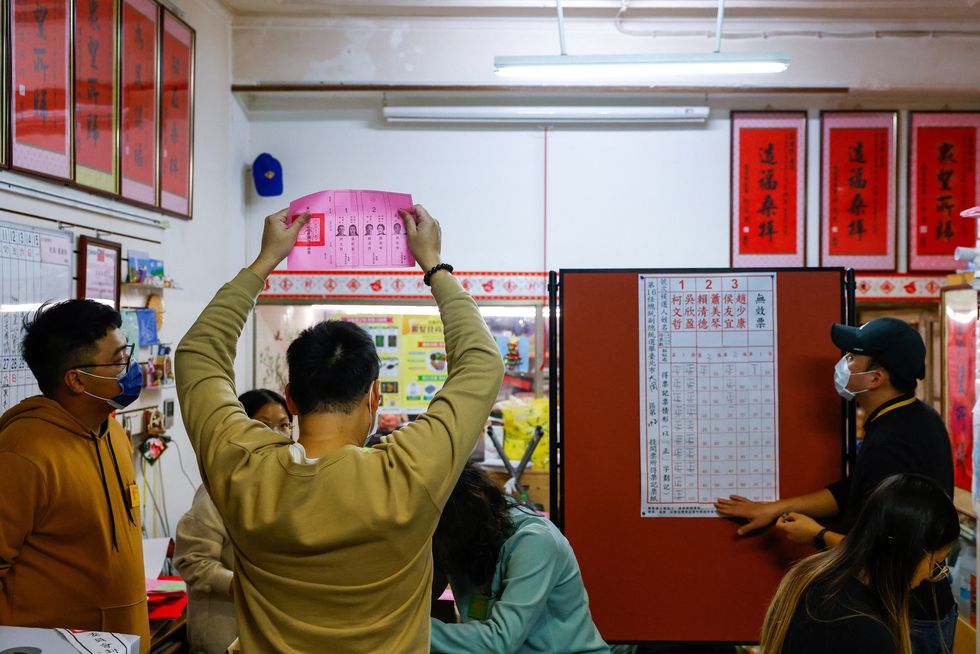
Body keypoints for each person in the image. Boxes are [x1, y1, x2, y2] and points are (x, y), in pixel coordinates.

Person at [175, 205, 503, 652]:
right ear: (374, 396)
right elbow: (482, 364)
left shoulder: (242, 466)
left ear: (289, 398)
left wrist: (264, 261)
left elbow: (198, 356)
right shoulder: (409, 471)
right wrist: (435, 266)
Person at [716, 317, 956, 653]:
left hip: (910, 614)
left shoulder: (895, 439)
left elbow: (887, 549)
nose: (843, 364)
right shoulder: (906, 417)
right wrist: (776, 508)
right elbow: (855, 491)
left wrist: (814, 534)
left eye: (853, 357)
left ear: (876, 377)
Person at [0, 300, 149, 651]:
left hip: (124, 642)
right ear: (77, 380)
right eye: (117, 361)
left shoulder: (112, 433)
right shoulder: (22, 452)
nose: (129, 368)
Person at [760, 473, 960, 654]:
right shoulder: (864, 632)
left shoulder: (812, 580)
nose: (930, 575)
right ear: (907, 554)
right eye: (936, 562)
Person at [430, 462, 608, 654]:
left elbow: (499, 641)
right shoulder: (453, 536)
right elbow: (415, 600)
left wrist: (408, 629)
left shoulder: (535, 542)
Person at [173, 389, 292, 654]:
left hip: (264, 629)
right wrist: (244, 585)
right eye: (264, 425)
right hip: (221, 632)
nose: (277, 434)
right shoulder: (220, 485)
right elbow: (191, 560)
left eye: (284, 424)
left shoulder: (283, 481)